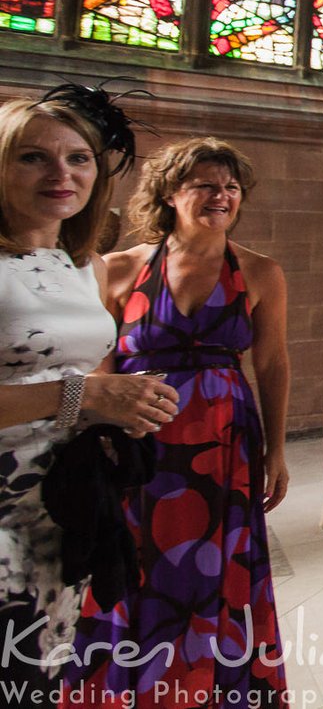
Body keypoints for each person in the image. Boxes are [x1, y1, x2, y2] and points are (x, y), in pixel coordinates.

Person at [70, 138, 291, 704]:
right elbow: (102, 366)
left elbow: (271, 363)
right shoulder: (120, 270)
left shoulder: (261, 273)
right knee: (136, 561)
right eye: (207, 185)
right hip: (141, 444)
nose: (222, 197)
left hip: (225, 443)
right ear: (170, 192)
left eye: (231, 188)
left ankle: (208, 689)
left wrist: (278, 451)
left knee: (215, 568)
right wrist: (101, 437)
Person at [0, 89, 178, 696]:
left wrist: (120, 411)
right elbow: (73, 387)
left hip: (58, 507)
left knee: (40, 672)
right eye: (32, 158)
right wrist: (86, 397)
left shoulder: (85, 265)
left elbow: (79, 378)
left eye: (79, 158)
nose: (61, 174)